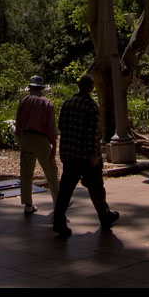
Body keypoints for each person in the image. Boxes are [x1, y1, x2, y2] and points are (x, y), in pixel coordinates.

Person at [52, 73, 119, 237]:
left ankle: (58, 220)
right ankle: (104, 216)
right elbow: (92, 134)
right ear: (91, 88)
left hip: (69, 154)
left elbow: (61, 125)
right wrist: (93, 156)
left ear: (78, 86)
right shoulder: (91, 107)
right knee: (96, 188)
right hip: (85, 156)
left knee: (65, 190)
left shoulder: (67, 103)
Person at [15, 75, 60, 214]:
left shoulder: (24, 101)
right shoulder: (47, 103)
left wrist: (21, 137)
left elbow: (18, 121)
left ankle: (28, 204)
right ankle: (58, 202)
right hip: (41, 139)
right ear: (42, 88)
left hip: (26, 137)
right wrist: (54, 146)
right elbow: (51, 127)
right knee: (50, 170)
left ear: (30, 87)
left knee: (26, 172)